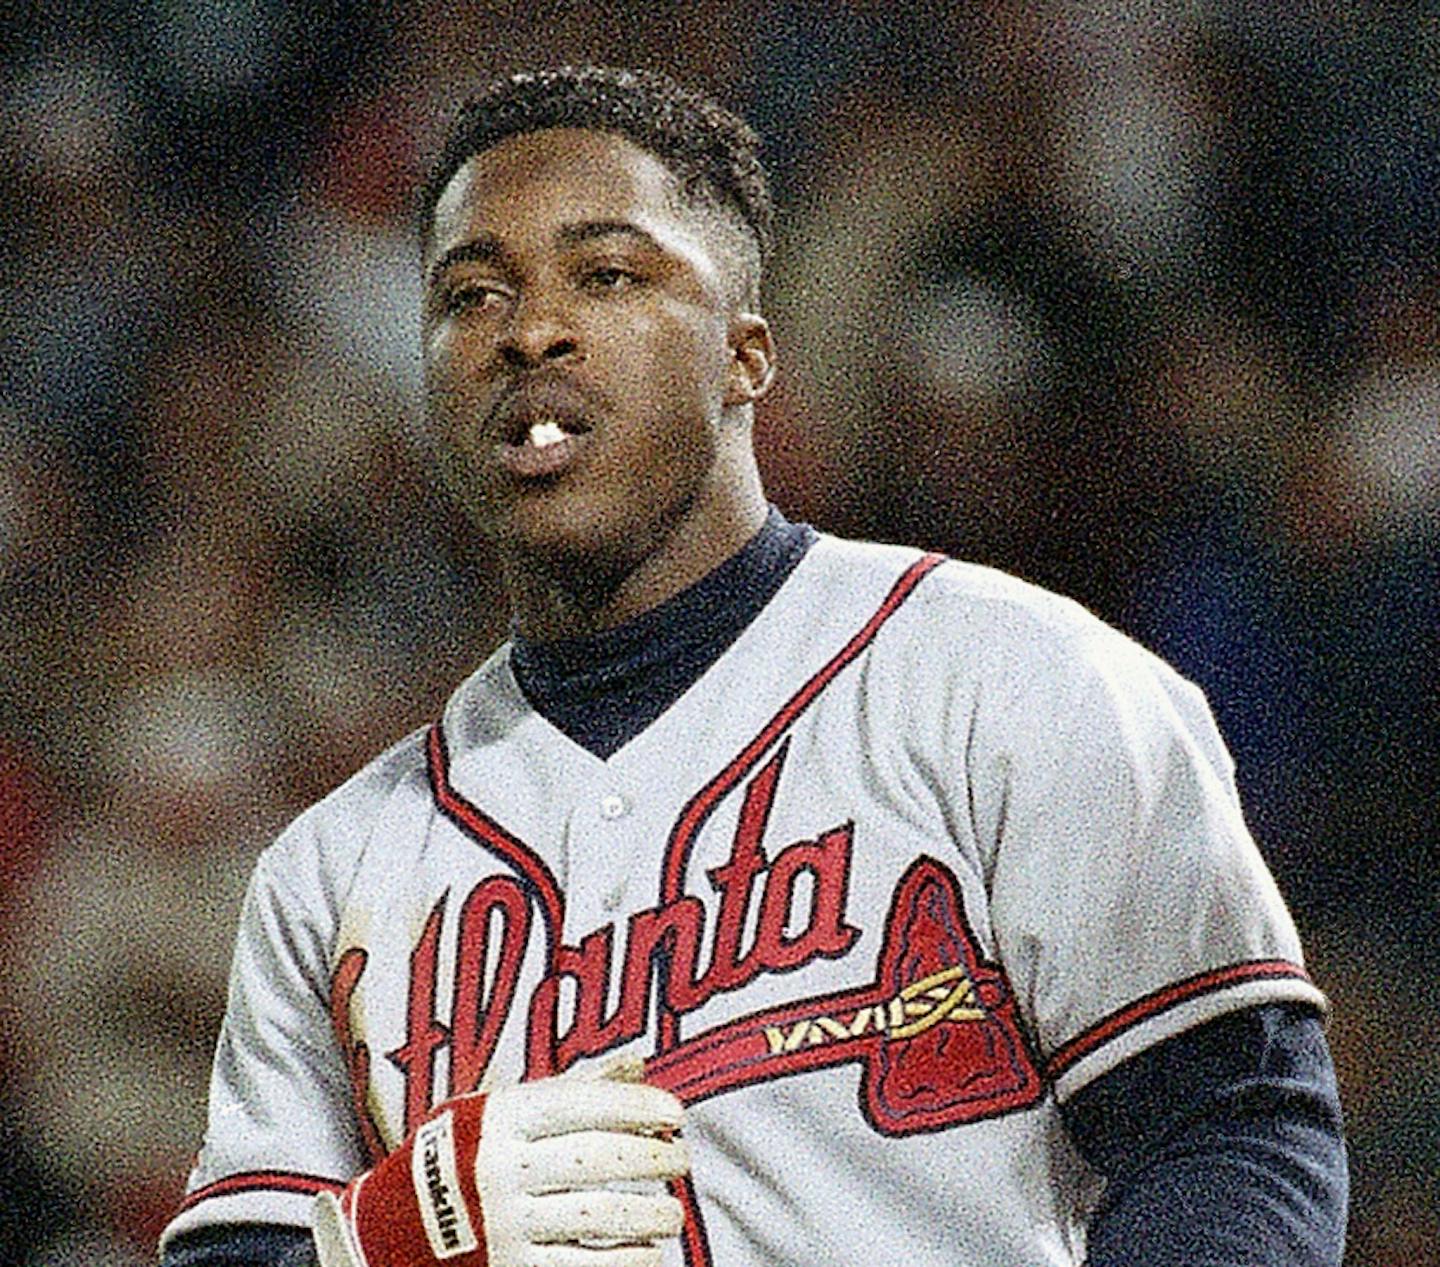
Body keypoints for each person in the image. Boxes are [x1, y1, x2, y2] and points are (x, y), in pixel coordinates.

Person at [159, 65, 1347, 1267]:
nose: (527, 330)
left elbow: (1232, 1137)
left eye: (608, 273)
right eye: (470, 295)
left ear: (746, 355)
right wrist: (379, 1243)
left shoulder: (1007, 682)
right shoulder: (330, 871)